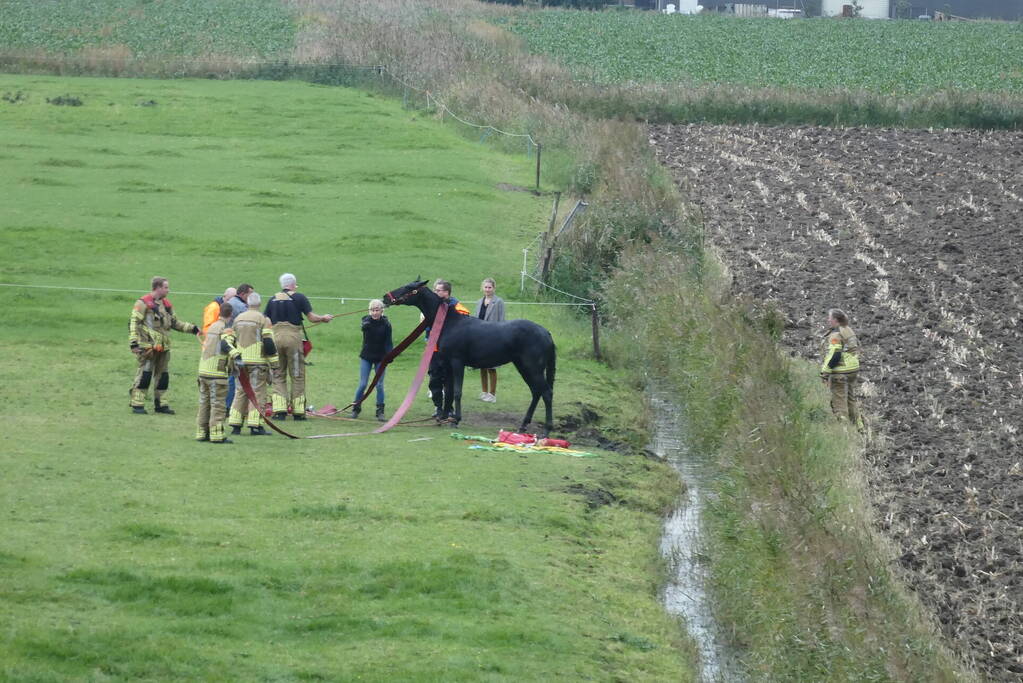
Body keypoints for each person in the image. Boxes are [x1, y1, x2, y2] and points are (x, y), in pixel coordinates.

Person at [264, 273, 333, 420]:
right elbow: (312, 318)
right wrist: (324, 318)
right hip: (293, 338)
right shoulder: (299, 297)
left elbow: (266, 321)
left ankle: (280, 410)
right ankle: (298, 412)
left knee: (278, 374)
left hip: (275, 338)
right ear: (293, 284)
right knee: (297, 374)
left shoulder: (272, 299)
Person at [128, 276, 200, 414]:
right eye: (166, 287)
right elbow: (133, 324)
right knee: (145, 375)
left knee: (163, 377)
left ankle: (161, 405)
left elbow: (175, 323)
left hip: (164, 347)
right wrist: (133, 343)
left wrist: (193, 329)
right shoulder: (142, 303)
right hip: (147, 347)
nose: (168, 290)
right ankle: (137, 404)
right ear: (158, 288)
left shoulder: (166, 304)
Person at [228, 292, 277, 436]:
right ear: (259, 304)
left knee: (240, 392)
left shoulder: (238, 318)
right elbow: (268, 342)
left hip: (240, 361)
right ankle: (255, 425)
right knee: (257, 393)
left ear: (248, 303)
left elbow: (232, 339)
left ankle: (235, 425)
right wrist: (275, 363)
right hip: (257, 362)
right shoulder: (264, 319)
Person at [196, 302, 241, 444]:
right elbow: (225, 344)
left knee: (204, 403)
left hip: (203, 370)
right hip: (216, 373)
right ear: (231, 315)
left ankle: (202, 433)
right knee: (218, 405)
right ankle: (217, 435)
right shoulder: (226, 329)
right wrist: (237, 356)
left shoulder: (212, 326)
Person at [427, 279, 470, 419]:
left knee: (449, 381)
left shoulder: (458, 308)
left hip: (451, 353)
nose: (435, 293)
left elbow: (465, 324)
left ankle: (449, 409)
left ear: (446, 292)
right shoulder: (432, 307)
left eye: (438, 290)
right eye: (435, 290)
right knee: (434, 380)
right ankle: (438, 407)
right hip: (434, 350)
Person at [350, 299, 393, 421]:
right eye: (372, 310)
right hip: (367, 357)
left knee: (379, 385)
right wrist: (365, 325)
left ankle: (380, 411)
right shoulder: (366, 320)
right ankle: (355, 408)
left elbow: (389, 342)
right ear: (369, 311)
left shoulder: (386, 324)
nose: (374, 313)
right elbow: (364, 327)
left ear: (381, 311)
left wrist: (390, 355)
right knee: (363, 384)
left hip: (381, 358)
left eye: (377, 310)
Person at [820, 308, 861, 425]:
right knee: (850, 399)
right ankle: (858, 426)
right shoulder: (848, 329)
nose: (828, 320)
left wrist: (825, 372)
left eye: (830, 318)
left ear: (835, 320)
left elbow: (835, 354)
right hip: (853, 370)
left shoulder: (835, 334)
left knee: (839, 401)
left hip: (841, 371)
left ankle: (844, 428)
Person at [203, 286, 238, 409]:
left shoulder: (222, 307)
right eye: (232, 298)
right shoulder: (214, 308)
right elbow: (208, 329)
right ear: (225, 296)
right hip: (213, 350)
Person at [472, 277, 506, 403]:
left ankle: (492, 394)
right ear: (483, 288)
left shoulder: (499, 302)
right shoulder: (479, 301)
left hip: (493, 337)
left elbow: (502, 320)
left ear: (494, 288)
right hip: (480, 337)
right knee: (482, 365)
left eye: (489, 287)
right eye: (485, 287)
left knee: (492, 366)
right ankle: (484, 391)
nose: (487, 289)